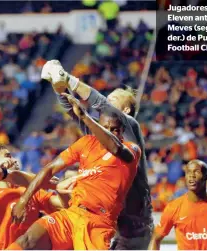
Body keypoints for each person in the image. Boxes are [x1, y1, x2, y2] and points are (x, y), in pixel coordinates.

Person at [42, 59, 153, 249]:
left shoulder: (129, 125)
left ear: (125, 110)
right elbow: (72, 109)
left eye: (111, 102)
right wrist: (57, 84)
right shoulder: (98, 135)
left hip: (134, 226)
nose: (104, 105)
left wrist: (68, 78)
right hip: (109, 221)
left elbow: (102, 105)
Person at [8, 94, 141, 250]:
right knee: (27, 240)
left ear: (122, 130)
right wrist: (23, 200)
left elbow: (114, 146)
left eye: (115, 130)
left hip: (98, 223)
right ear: (99, 126)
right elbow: (50, 168)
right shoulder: (86, 143)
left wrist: (84, 117)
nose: (110, 133)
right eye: (105, 128)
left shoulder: (131, 149)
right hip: (72, 214)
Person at [0, 145, 75, 250]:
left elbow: (65, 205)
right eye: (8, 156)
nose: (14, 160)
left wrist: (58, 186)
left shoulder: (29, 191)